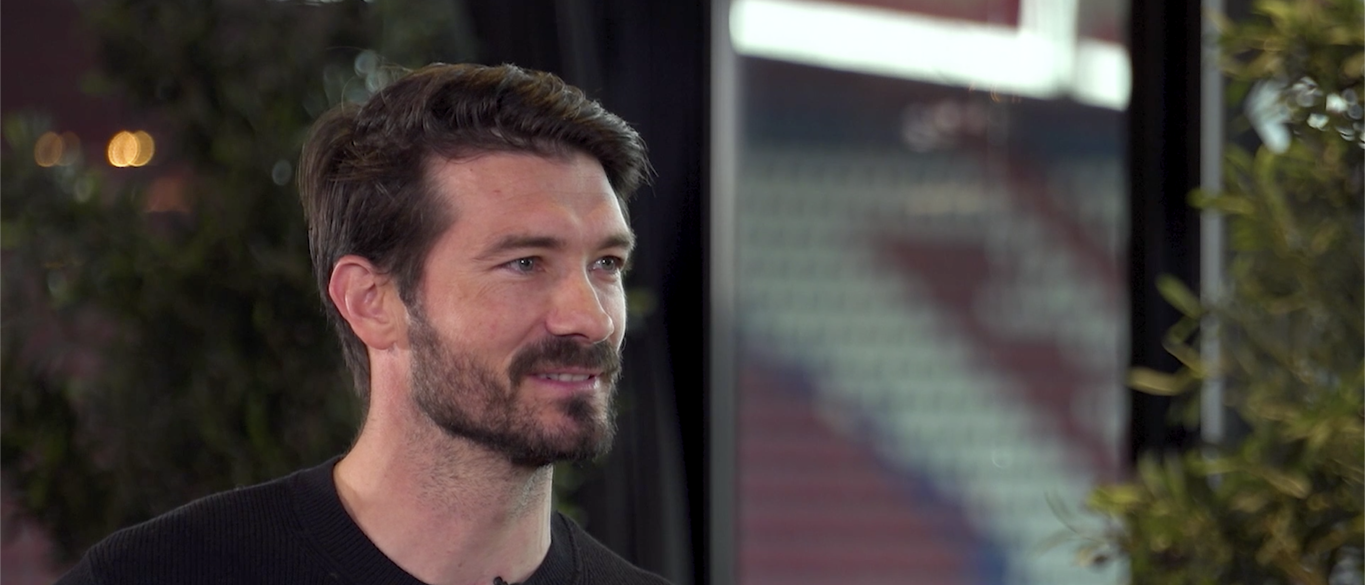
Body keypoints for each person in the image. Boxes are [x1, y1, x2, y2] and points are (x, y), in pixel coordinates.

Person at [57, 63, 669, 585]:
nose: (591, 319)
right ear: (371, 301)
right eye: (526, 263)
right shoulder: (157, 574)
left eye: (606, 264)